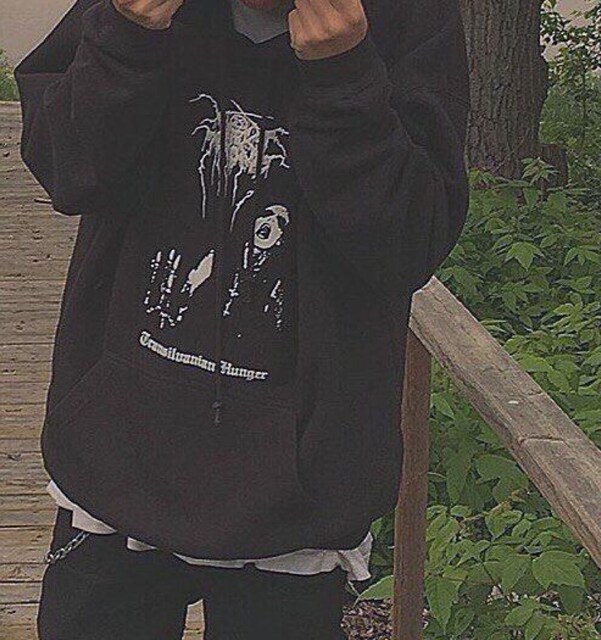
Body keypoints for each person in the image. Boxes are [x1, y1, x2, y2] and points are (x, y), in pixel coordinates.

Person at [13, 0, 470, 637]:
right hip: (114, 466)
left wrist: (344, 78)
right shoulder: (127, 11)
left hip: (298, 495)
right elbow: (66, 169)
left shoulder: (411, 21)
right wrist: (126, 38)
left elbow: (408, 245)